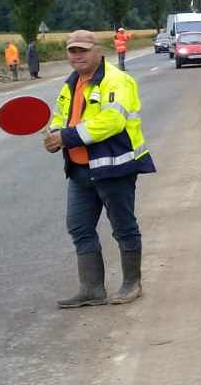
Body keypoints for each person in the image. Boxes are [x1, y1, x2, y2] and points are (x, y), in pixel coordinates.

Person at [43, 30, 156, 308]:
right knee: (79, 227)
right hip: (80, 169)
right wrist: (54, 135)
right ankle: (91, 288)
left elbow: (112, 121)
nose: (77, 55)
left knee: (123, 227)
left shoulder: (116, 80)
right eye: (72, 51)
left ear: (97, 50)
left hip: (114, 167)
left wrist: (67, 137)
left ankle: (132, 283)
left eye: (82, 50)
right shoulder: (70, 84)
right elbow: (60, 116)